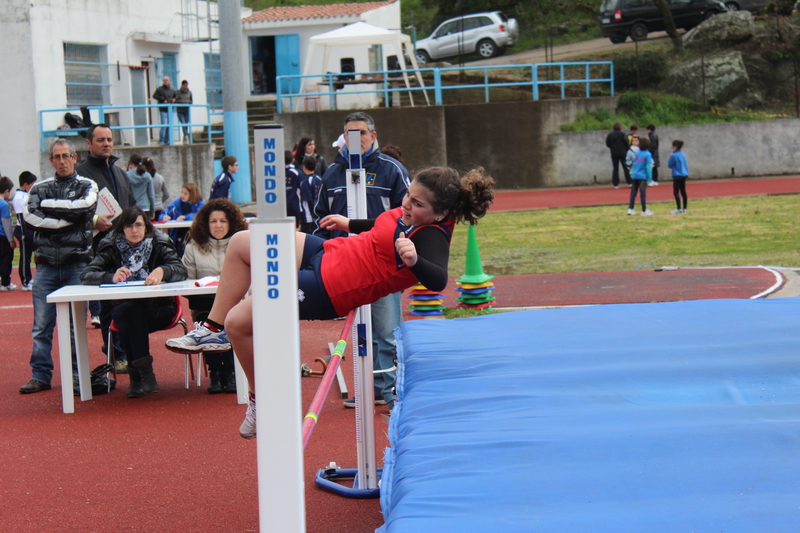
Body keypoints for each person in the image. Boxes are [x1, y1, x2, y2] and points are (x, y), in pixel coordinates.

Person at [166, 166, 495, 438]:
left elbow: (438, 278)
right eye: (409, 194)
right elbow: (385, 224)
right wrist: (348, 224)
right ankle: (211, 327)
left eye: (418, 204)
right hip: (330, 253)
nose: (407, 204)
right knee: (241, 242)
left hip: (330, 287)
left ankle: (259, 398)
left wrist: (413, 261)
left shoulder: (432, 235)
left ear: (441, 214)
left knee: (240, 321)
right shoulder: (414, 213)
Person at [313, 111, 411, 411]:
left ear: (374, 136)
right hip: (346, 266)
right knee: (357, 331)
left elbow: (409, 217)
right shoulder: (331, 174)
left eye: (362, 133)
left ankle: (392, 390)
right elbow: (320, 218)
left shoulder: (391, 171)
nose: (356, 140)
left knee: (386, 330)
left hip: (383, 265)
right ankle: (368, 388)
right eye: (349, 134)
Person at [80, 206, 187, 397]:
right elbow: (87, 275)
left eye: (138, 225)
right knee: (130, 312)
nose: (134, 230)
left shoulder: (160, 242)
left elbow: (180, 269)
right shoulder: (111, 245)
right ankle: (145, 375)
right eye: (129, 226)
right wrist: (111, 277)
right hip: (127, 311)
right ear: (121, 229)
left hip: (160, 309)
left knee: (127, 314)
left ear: (146, 227)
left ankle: (137, 378)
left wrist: (163, 271)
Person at [19, 138, 98, 395]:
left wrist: (49, 209)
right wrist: (68, 220)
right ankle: (40, 375)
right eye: (57, 157)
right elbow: (30, 218)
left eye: (66, 156)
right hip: (45, 268)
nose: (62, 161)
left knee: (76, 326)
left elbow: (85, 209)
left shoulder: (88, 185)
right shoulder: (40, 188)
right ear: (51, 160)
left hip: (77, 267)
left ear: (75, 157)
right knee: (41, 326)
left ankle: (76, 375)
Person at [76, 123, 136, 370]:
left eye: (109, 139)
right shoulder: (80, 175)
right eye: (100, 140)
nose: (107, 144)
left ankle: (129, 353)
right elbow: (73, 214)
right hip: (100, 251)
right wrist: (93, 223)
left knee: (129, 305)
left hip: (128, 250)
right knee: (109, 306)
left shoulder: (121, 173)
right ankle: (117, 354)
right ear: (89, 144)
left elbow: (133, 207)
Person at [182, 199, 248, 393]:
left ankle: (230, 371)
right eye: (213, 221)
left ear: (231, 223)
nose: (218, 225)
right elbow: (187, 282)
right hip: (204, 306)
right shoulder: (193, 247)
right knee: (207, 321)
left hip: (237, 305)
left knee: (232, 319)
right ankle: (216, 372)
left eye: (223, 221)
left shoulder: (243, 245)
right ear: (205, 223)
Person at [159, 182, 204, 256]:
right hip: (176, 232)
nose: (182, 195)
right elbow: (165, 211)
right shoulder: (177, 202)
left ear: (192, 194)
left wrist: (186, 217)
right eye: (182, 192)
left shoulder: (200, 203)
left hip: (192, 231)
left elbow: (200, 214)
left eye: (185, 193)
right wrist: (164, 217)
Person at [12, 171, 37, 290]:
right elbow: (20, 217)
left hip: (30, 228)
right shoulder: (18, 197)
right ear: (25, 184)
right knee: (25, 256)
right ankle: (25, 281)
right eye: (31, 184)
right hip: (24, 229)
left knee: (31, 255)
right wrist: (25, 233)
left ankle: (29, 278)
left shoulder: (25, 195)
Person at [627, 135, 654, 216]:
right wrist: (649, 179)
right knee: (643, 193)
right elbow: (648, 167)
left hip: (634, 175)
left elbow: (634, 164)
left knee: (633, 192)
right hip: (642, 177)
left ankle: (630, 208)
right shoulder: (648, 154)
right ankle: (644, 210)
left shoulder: (637, 153)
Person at [0, 176, 17, 291]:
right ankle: (5, 282)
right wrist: (11, 240)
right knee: (6, 259)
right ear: (7, 191)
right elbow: (6, 223)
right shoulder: (4, 205)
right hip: (2, 235)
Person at [126, 153, 155, 218]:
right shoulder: (147, 176)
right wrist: (152, 210)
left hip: (131, 208)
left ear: (132, 163)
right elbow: (151, 195)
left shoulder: (126, 175)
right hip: (145, 207)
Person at [299, 155, 322, 234]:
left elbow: (308, 200)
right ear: (316, 167)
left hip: (308, 217)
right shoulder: (319, 179)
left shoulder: (304, 182)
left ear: (304, 167)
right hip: (319, 213)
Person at [152, 76, 176, 145]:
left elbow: (175, 95)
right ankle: (161, 140)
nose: (165, 81)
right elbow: (154, 96)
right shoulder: (160, 89)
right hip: (163, 109)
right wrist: (162, 99)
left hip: (170, 109)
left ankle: (167, 140)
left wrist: (175, 99)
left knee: (169, 126)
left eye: (167, 80)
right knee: (164, 125)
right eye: (164, 80)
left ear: (169, 81)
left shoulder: (171, 89)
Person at [606, 122, 630, 189]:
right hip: (623, 153)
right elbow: (627, 143)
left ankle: (615, 184)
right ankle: (630, 182)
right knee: (626, 167)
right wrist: (626, 149)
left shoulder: (610, 135)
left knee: (615, 168)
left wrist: (613, 148)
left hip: (614, 153)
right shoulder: (623, 134)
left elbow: (608, 144)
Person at [668, 139, 689, 214]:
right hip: (684, 174)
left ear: (675, 147)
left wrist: (670, 157)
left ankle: (678, 208)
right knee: (683, 191)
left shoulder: (673, 155)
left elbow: (670, 165)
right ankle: (685, 208)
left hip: (677, 175)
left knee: (676, 192)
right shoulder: (683, 154)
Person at [285, 150, 302, 226]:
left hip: (282, 207)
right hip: (295, 205)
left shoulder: (277, 172)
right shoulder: (297, 172)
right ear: (293, 160)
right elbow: (302, 187)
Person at [175, 80, 193, 144]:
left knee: (186, 123)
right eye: (185, 85)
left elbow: (191, 101)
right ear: (182, 85)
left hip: (187, 110)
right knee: (183, 123)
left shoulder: (189, 93)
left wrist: (188, 102)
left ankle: (185, 137)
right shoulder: (177, 92)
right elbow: (175, 100)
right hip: (180, 110)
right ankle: (186, 136)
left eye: (187, 85)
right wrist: (181, 102)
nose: (186, 86)